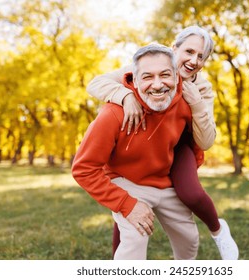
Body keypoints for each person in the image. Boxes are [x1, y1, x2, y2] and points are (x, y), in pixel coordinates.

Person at [86, 26, 239, 260]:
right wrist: (125, 96)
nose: (193, 60)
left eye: (201, 56)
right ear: (174, 48)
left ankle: (218, 231)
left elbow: (207, 139)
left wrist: (196, 103)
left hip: (179, 143)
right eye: (188, 51)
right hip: (143, 140)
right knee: (130, 197)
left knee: (191, 193)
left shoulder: (202, 88)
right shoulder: (151, 67)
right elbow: (96, 84)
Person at [72, 44, 200, 260]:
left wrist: (186, 178)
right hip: (126, 181)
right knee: (135, 237)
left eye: (165, 75)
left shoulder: (184, 107)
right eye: (148, 77)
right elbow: (83, 169)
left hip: (165, 183)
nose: (158, 84)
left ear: (177, 77)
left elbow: (192, 146)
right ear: (136, 80)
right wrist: (126, 204)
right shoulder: (112, 114)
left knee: (189, 238)